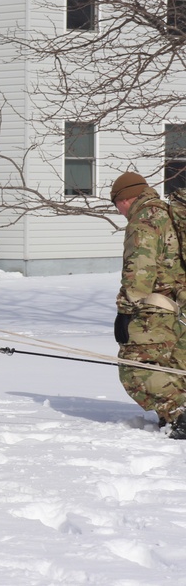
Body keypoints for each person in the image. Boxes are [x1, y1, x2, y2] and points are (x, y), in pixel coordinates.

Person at [111, 172, 186, 438]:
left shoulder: (144, 219)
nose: (118, 210)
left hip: (152, 310)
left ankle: (178, 415)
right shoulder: (168, 214)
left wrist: (125, 311)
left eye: (115, 203)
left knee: (135, 369)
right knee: (172, 367)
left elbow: (139, 270)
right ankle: (173, 416)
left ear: (124, 199)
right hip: (174, 309)